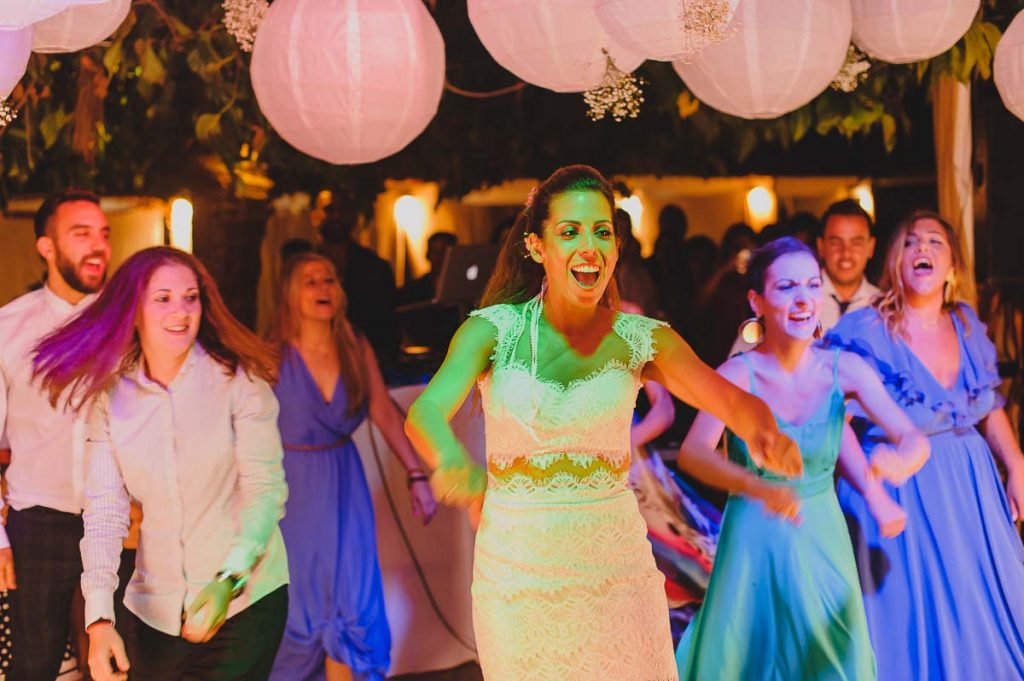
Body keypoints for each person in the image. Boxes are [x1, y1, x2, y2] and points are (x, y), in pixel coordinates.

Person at [404, 165, 802, 679]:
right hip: (518, 574)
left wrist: (766, 432)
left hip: (616, 572)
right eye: (570, 232)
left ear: (616, 246)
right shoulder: (492, 331)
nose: (589, 246)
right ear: (536, 246)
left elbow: (731, 400)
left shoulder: (643, 338)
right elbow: (426, 411)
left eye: (602, 231)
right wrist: (450, 458)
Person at [673, 237, 928, 680]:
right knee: (747, 657)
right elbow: (692, 454)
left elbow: (913, 438)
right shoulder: (737, 375)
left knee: (834, 656)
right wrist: (756, 486)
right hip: (753, 535)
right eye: (786, 287)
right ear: (757, 301)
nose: (803, 299)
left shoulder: (844, 369)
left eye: (812, 285)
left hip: (820, 530)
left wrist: (898, 462)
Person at [33, 246, 289, 680]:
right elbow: (105, 512)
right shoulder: (110, 396)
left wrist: (230, 578)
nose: (181, 311)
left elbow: (264, 492)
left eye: (191, 298)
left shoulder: (239, 381)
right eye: (163, 298)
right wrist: (99, 620)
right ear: (133, 310)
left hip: (245, 601)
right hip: (153, 609)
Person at [825, 210, 1024, 680]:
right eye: (911, 242)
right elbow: (836, 422)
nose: (923, 249)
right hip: (901, 487)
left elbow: (988, 405)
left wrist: (1016, 464)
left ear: (952, 265)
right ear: (895, 260)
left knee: (983, 608)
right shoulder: (865, 329)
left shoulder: (967, 325)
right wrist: (869, 488)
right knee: (911, 619)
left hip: (970, 491)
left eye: (935, 242)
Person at [267, 252, 437, 681]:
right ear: (290, 294)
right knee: (300, 604)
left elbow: (383, 412)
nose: (323, 288)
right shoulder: (270, 354)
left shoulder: (354, 345)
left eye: (329, 279)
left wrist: (417, 473)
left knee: (352, 603)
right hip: (292, 490)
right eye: (310, 281)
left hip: (345, 485)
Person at [0, 190, 111, 678]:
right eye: (81, 234)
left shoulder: (129, 322)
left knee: (120, 665)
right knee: (34, 667)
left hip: (121, 521)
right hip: (38, 522)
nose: (98, 245)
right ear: (46, 247)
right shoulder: (9, 328)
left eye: (103, 234)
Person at [729, 200, 880, 357]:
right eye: (836, 242)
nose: (846, 253)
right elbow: (740, 361)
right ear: (821, 246)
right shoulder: (787, 299)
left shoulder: (884, 307)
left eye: (856, 243)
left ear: (871, 247)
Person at [319, 199, 400, 367]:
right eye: (330, 212)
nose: (335, 217)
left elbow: (386, 319)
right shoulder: (307, 266)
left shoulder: (373, 266)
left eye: (341, 213)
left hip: (367, 354)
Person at [400, 231, 457, 305]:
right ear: (427, 255)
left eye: (445, 253)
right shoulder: (414, 289)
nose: (440, 258)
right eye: (436, 253)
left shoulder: (464, 287)